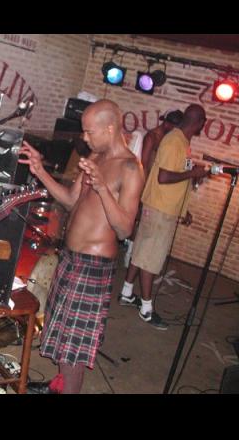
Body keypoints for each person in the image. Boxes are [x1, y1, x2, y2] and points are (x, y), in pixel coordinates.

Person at [18, 99, 144, 394]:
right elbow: (71, 200)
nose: (84, 138)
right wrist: (40, 171)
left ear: (109, 128)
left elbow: (125, 229)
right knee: (62, 332)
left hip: (93, 265)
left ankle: (68, 389)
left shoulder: (130, 168)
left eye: (89, 132)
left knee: (75, 345)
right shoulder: (95, 157)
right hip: (70, 258)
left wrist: (102, 188)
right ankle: (58, 385)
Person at [119, 104, 209, 330]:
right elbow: (164, 177)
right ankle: (146, 309)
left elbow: (178, 175)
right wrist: (192, 173)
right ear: (198, 122)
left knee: (142, 252)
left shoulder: (183, 143)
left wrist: (184, 207)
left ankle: (127, 293)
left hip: (164, 207)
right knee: (151, 260)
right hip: (160, 209)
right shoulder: (173, 142)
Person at [123, 109, 184, 267]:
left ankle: (133, 252)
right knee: (139, 219)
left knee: (144, 222)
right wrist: (143, 187)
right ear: (168, 123)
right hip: (146, 182)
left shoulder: (169, 139)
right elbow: (143, 164)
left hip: (154, 184)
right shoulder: (152, 136)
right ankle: (130, 252)